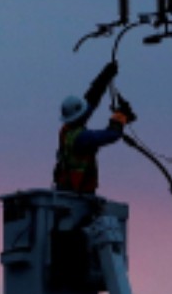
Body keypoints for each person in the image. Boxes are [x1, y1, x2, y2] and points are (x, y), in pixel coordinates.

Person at [53, 61, 135, 194]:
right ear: (78, 116)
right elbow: (112, 134)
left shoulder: (66, 130)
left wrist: (105, 76)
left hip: (66, 188)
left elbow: (91, 99)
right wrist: (120, 117)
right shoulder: (82, 138)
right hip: (79, 192)